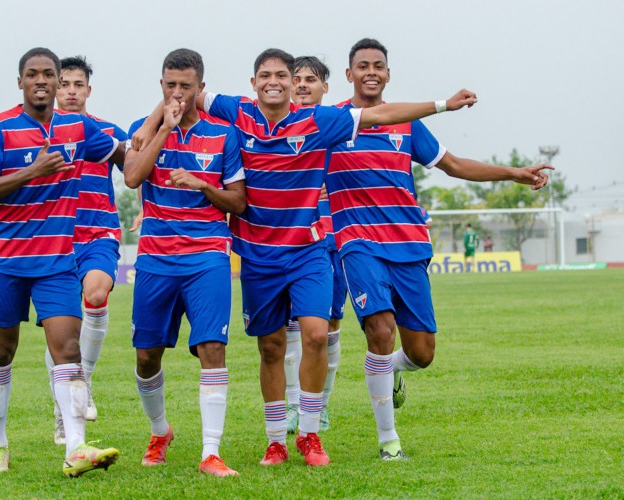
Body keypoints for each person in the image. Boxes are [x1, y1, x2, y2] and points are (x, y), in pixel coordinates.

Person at [182, 48, 477, 467]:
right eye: (267, 74)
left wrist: (443, 104)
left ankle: (310, 432)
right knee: (271, 347)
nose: (278, 82)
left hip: (314, 249)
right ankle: (276, 440)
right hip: (259, 252)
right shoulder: (238, 112)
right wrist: (150, 131)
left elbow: (382, 117)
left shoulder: (319, 121)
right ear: (253, 82)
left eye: (284, 75)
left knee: (320, 333)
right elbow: (186, 93)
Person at [325, 38, 553, 461]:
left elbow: (454, 165)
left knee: (422, 354)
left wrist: (512, 173)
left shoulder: (408, 125)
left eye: (378, 65)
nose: (370, 72)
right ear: (349, 74)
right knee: (379, 329)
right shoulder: (333, 122)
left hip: (409, 245)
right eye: (362, 66)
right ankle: (389, 442)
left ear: (388, 74)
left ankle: (391, 369)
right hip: (356, 243)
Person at [0, 47, 126, 477]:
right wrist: (32, 171)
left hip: (57, 260)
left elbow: (124, 155)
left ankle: (75, 446)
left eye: (49, 75)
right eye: (32, 74)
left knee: (68, 350)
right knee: (1, 352)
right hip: (5, 261)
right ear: (19, 82)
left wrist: (165, 132)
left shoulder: (77, 127)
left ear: (59, 82)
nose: (41, 81)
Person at [124, 49, 246, 477]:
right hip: (156, 258)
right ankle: (160, 431)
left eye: (186, 86)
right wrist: (161, 130)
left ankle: (211, 453)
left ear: (200, 88)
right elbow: (133, 176)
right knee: (146, 356)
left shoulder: (223, 135)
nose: (178, 93)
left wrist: (201, 185)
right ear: (161, 86)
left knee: (212, 348)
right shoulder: (143, 132)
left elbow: (239, 202)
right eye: (170, 85)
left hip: (208, 255)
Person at [45, 55, 128, 446]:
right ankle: (64, 411)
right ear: (53, 88)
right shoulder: (39, 134)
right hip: (55, 238)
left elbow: (137, 166)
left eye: (78, 84)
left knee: (96, 296)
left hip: (98, 233)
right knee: (60, 327)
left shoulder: (105, 131)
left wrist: (149, 204)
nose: (71, 91)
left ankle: (84, 380)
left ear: (88, 90)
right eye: (65, 84)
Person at [284, 56, 343, 434]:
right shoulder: (274, 126)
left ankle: (319, 406)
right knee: (290, 327)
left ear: (325, 87)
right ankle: (293, 405)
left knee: (329, 326)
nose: (303, 84)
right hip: (289, 240)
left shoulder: (337, 124)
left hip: (334, 238)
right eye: (297, 79)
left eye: (311, 79)